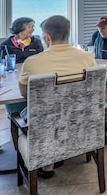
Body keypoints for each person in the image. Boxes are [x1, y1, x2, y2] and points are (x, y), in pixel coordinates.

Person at [18, 15, 97, 178]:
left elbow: (25, 94)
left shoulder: (32, 62)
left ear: (46, 37)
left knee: (20, 112)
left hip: (46, 122)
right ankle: (63, 151)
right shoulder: (87, 58)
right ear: (68, 34)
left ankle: (47, 161)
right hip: (80, 119)